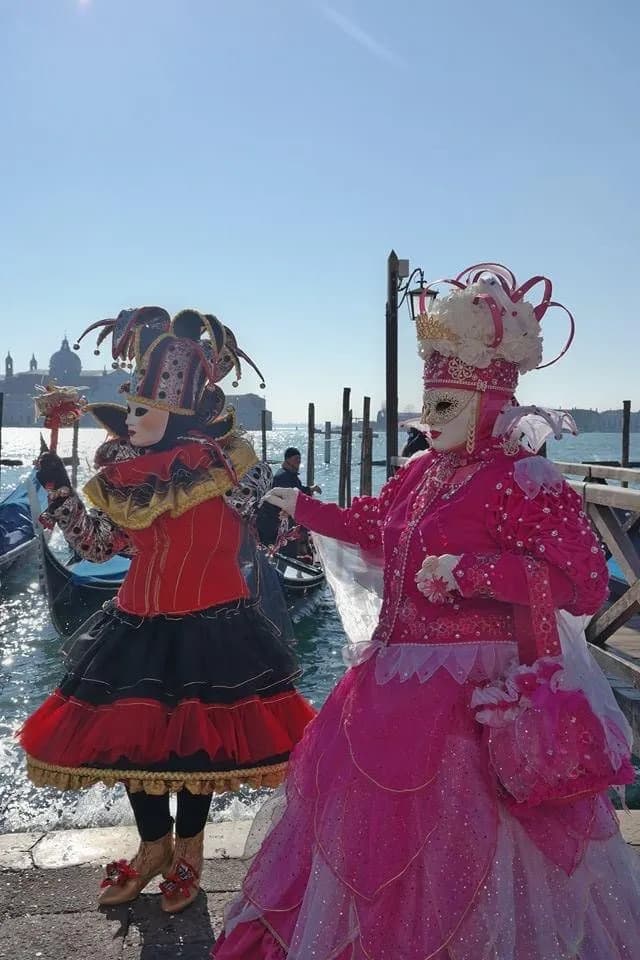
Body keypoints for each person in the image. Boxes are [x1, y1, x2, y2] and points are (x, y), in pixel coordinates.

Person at [212, 265, 640, 959]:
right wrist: (302, 507)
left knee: (476, 848)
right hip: (392, 685)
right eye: (428, 405)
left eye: (448, 406)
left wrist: (476, 572)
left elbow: (586, 586)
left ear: (492, 403)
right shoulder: (422, 472)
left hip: (474, 700)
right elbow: (376, 527)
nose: (430, 421)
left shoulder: (524, 481)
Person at [19, 307, 315, 913]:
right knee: (135, 746)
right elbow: (98, 545)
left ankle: (189, 855)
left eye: (139, 410)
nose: (129, 420)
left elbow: (272, 533)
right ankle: (153, 849)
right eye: (128, 410)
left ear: (178, 411)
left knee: (192, 750)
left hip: (214, 625)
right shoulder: (127, 477)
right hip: (136, 624)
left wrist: (270, 504)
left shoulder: (227, 466)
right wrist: (57, 487)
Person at [256, 447, 321, 555]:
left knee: (286, 555)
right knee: (285, 556)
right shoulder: (283, 477)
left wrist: (310, 489)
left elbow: (297, 491)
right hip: (276, 526)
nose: (299, 462)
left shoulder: (289, 475)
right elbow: (293, 498)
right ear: (288, 460)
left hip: (281, 525)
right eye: (296, 459)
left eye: (299, 459)